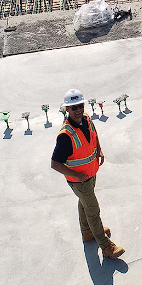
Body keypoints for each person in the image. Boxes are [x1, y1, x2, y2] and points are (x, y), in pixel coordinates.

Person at [51, 89, 124, 258]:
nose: (78, 110)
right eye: (73, 107)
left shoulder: (87, 119)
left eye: (80, 106)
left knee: (84, 203)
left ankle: (87, 232)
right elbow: (55, 164)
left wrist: (99, 149)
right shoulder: (65, 135)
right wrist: (76, 176)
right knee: (93, 210)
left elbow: (94, 134)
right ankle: (106, 246)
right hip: (79, 180)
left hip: (90, 173)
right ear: (67, 109)